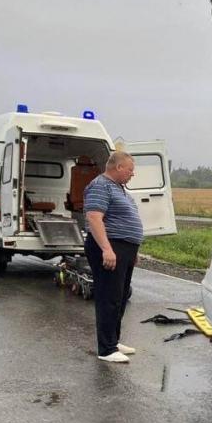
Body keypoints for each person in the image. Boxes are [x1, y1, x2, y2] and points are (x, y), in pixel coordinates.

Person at [83, 151, 142, 364]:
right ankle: (106, 349)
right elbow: (94, 218)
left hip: (123, 249)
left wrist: (132, 252)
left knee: (120, 296)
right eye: (130, 170)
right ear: (118, 168)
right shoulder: (101, 185)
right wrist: (107, 249)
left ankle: (114, 341)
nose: (132, 174)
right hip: (109, 246)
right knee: (109, 297)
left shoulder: (119, 189)